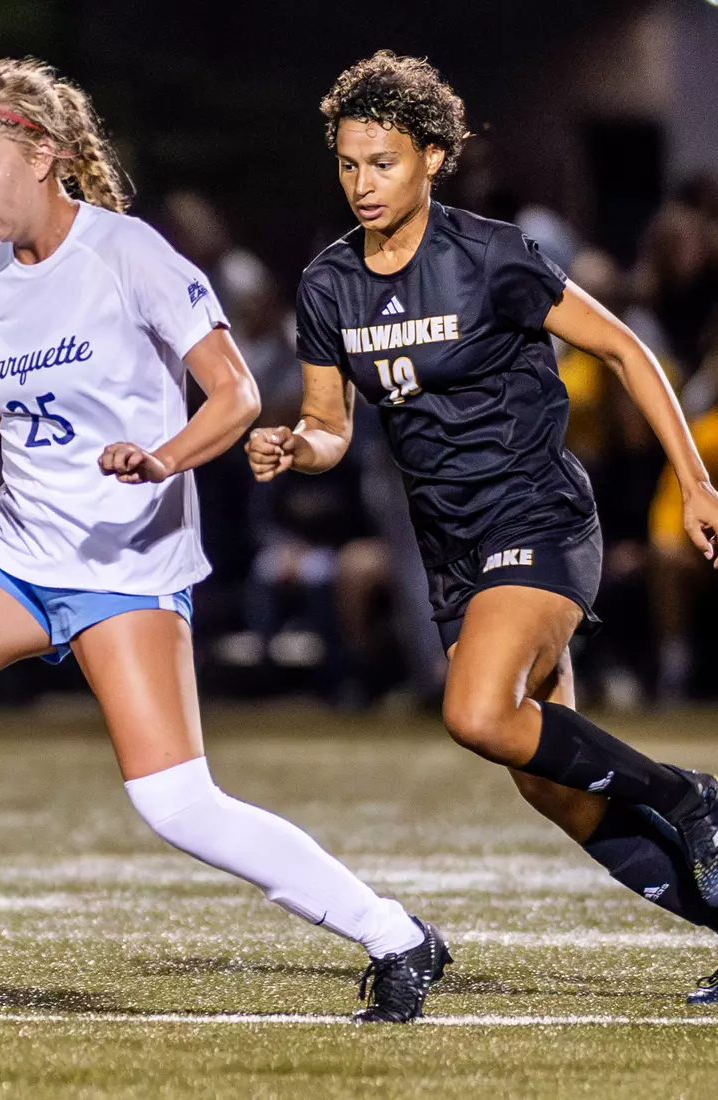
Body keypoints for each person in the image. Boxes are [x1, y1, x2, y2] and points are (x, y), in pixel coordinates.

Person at [0, 58, 450, 1025]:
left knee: (175, 802)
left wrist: (164, 458)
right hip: (15, 557)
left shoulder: (130, 254)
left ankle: (395, 935)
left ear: (43, 156)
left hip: (126, 570)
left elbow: (236, 395)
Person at [246, 51, 718, 999]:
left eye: (381, 162)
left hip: (536, 518)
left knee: (473, 714)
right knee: (547, 778)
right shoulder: (329, 284)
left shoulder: (489, 255)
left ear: (431, 158)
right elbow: (334, 426)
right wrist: (297, 445)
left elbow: (624, 349)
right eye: (346, 164)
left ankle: (688, 794)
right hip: (452, 548)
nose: (361, 183)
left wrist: (695, 480)